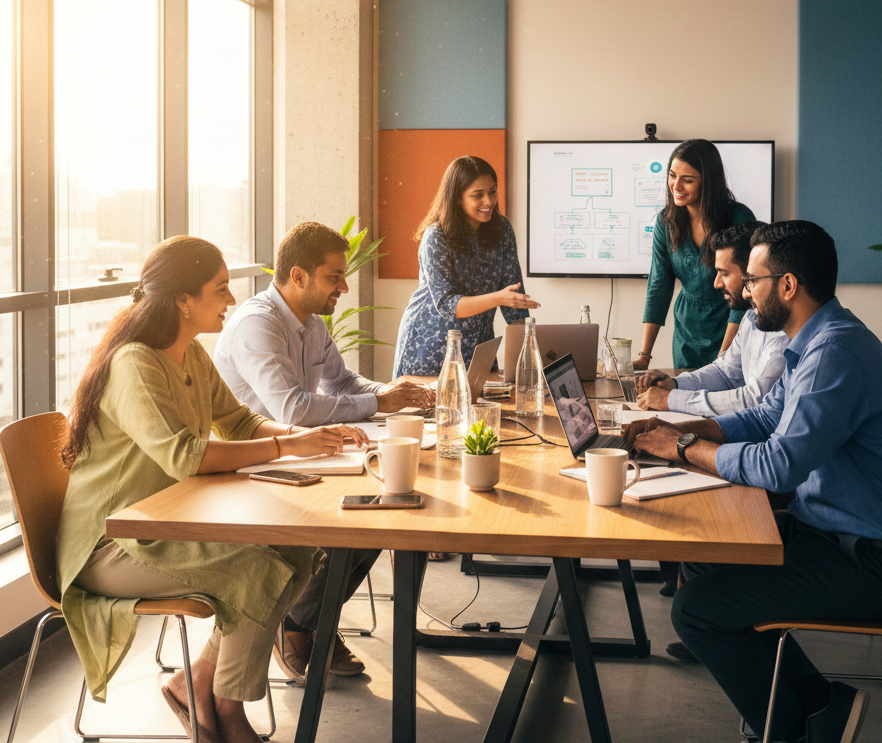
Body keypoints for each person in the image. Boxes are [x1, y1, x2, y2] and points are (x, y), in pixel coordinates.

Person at [628, 221, 882, 743]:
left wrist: (682, 449)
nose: (745, 291)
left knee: (695, 611)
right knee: (706, 553)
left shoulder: (833, 353)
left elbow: (778, 466)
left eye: (754, 280)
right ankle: (817, 707)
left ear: (788, 286)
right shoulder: (813, 340)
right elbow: (765, 418)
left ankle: (794, 726)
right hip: (837, 536)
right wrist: (682, 428)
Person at [57, 236, 369, 743]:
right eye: (220, 289)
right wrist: (286, 449)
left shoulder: (191, 357)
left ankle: (197, 684)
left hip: (163, 525)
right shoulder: (135, 363)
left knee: (295, 550)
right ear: (183, 299)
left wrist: (303, 438)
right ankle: (227, 710)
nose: (231, 299)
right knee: (255, 571)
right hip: (110, 545)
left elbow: (241, 422)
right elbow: (186, 455)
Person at [214, 220, 434, 683]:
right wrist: (379, 403)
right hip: (250, 469)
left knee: (380, 517)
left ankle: (311, 621)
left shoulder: (310, 324)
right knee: (352, 525)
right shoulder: (258, 325)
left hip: (300, 455)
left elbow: (344, 381)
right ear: (298, 276)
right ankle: (296, 625)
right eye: (335, 276)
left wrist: (391, 392)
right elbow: (292, 408)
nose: (345, 286)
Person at [392, 155, 539, 377]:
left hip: (480, 347)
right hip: (430, 348)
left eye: (492, 191)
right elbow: (449, 306)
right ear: (457, 198)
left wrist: (530, 349)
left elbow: (513, 297)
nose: (488, 201)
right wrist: (499, 298)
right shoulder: (436, 236)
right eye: (477, 195)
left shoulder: (502, 229)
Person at [636, 221, 788, 417]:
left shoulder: (785, 330)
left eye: (724, 273)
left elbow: (755, 400)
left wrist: (671, 399)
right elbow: (725, 373)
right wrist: (674, 384)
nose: (716, 283)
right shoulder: (751, 316)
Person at [634, 139, 755, 372]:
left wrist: (723, 359)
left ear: (708, 183)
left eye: (687, 180)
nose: (676, 186)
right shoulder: (666, 221)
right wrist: (644, 356)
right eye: (672, 176)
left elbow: (743, 292)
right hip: (687, 332)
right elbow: (659, 286)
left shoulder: (738, 218)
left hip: (730, 321)